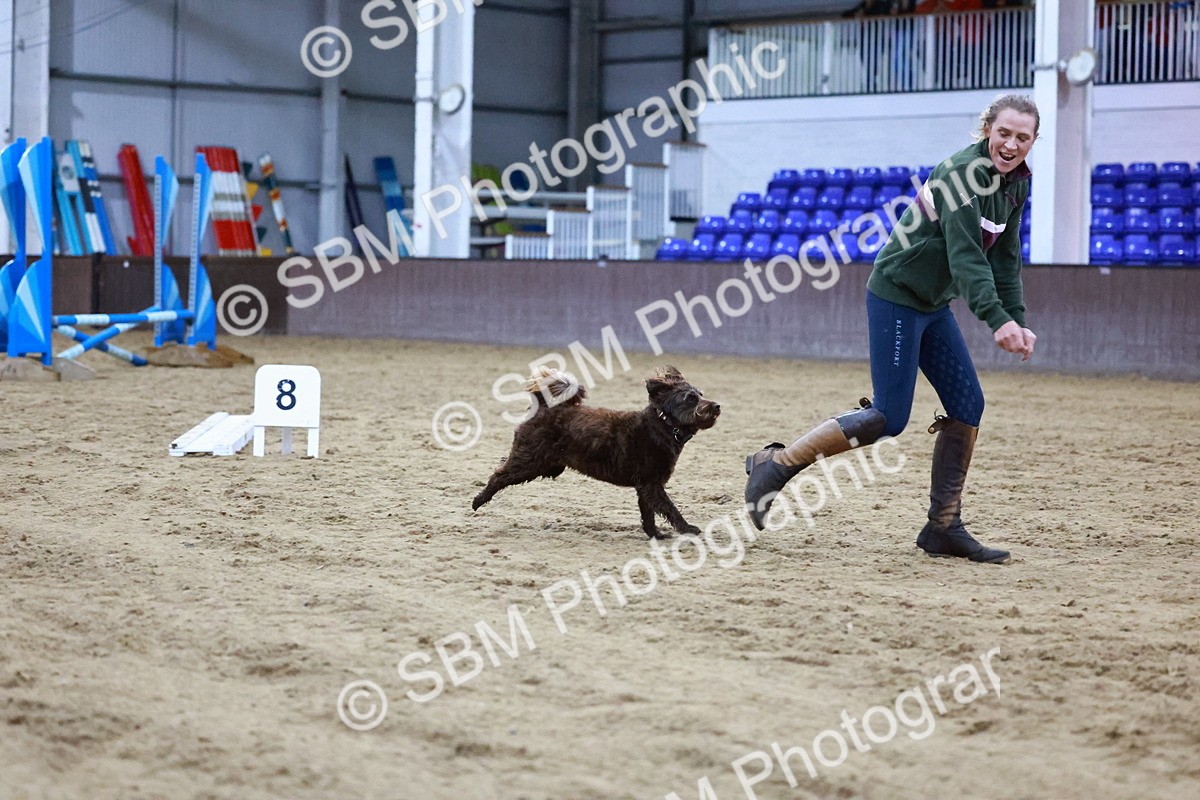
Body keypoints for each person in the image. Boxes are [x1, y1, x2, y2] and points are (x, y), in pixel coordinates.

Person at [743, 94, 1040, 564]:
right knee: (890, 417)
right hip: (897, 294)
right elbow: (966, 259)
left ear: (1032, 142)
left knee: (968, 406)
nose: (1011, 143)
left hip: (933, 302)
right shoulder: (962, 175)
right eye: (1004, 132)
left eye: (1022, 137)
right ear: (988, 130)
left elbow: (1005, 259)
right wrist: (996, 319)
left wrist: (1017, 319)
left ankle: (943, 526)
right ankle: (774, 466)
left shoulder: (1016, 185)